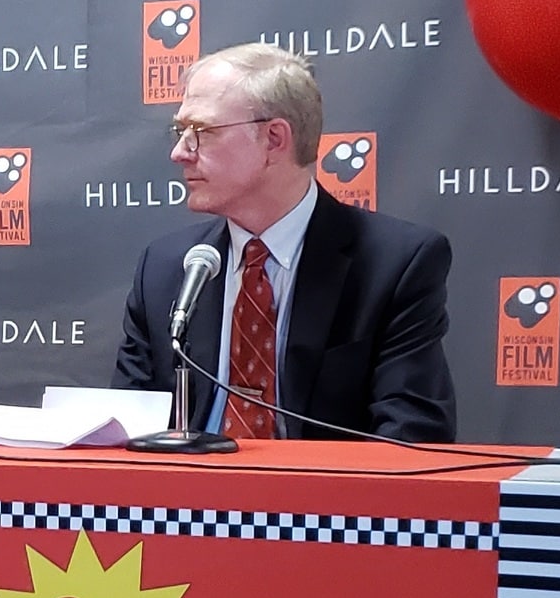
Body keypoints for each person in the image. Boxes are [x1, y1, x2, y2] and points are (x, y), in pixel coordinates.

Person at [113, 42, 456, 443]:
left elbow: (413, 437)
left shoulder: (394, 264)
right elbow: (125, 429)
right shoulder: (167, 267)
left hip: (321, 499)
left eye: (201, 132)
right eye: (180, 131)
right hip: (181, 501)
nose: (179, 153)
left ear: (274, 139)